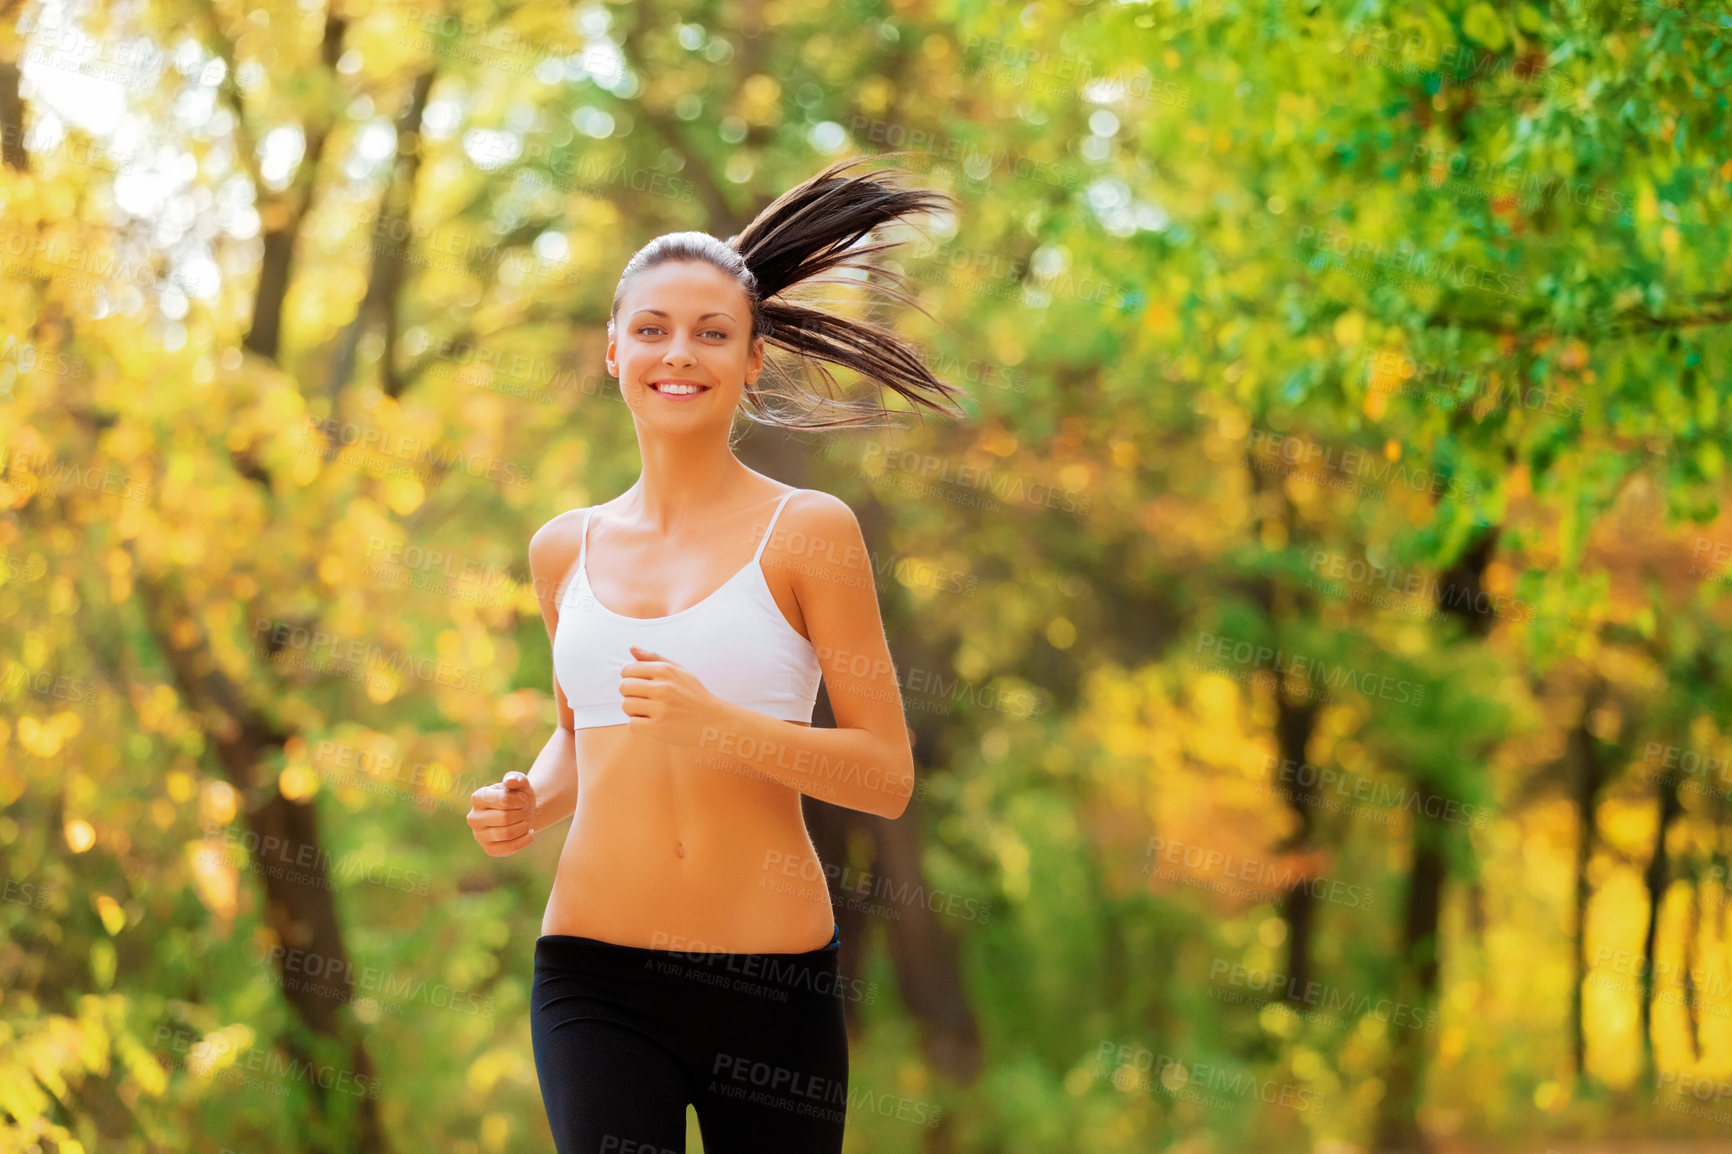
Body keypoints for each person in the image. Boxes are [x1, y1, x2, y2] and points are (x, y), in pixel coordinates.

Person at [465, 154, 967, 1154]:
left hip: (767, 984)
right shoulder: (562, 549)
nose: (676, 352)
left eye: (710, 331)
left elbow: (885, 775)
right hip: (592, 972)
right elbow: (582, 740)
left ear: (752, 360)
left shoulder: (809, 531)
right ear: (612, 351)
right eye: (650, 328)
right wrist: (531, 793)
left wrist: (719, 726)